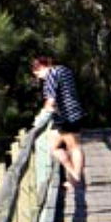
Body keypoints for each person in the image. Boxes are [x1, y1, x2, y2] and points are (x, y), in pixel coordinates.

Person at [31, 56, 87, 185]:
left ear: (41, 67)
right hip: (74, 112)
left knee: (73, 147)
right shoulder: (64, 70)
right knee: (55, 147)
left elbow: (51, 99)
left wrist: (42, 114)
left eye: (38, 74)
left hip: (66, 116)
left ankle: (75, 176)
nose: (39, 78)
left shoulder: (51, 74)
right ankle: (74, 175)